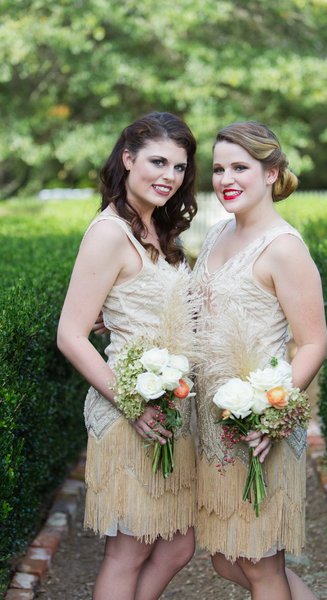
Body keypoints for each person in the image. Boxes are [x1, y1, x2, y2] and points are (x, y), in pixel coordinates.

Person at [57, 112, 198, 600]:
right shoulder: (109, 233)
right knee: (129, 550)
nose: (169, 176)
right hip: (128, 408)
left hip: (168, 409)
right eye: (158, 161)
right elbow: (71, 334)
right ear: (128, 158)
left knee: (178, 544)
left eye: (179, 168)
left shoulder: (156, 227)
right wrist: (133, 404)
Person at [192, 121, 327, 600]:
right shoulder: (214, 234)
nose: (226, 179)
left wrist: (269, 415)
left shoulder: (284, 247)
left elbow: (312, 344)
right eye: (218, 169)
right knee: (229, 559)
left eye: (240, 168)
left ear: (271, 173)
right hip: (213, 421)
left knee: (260, 562)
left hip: (258, 425)